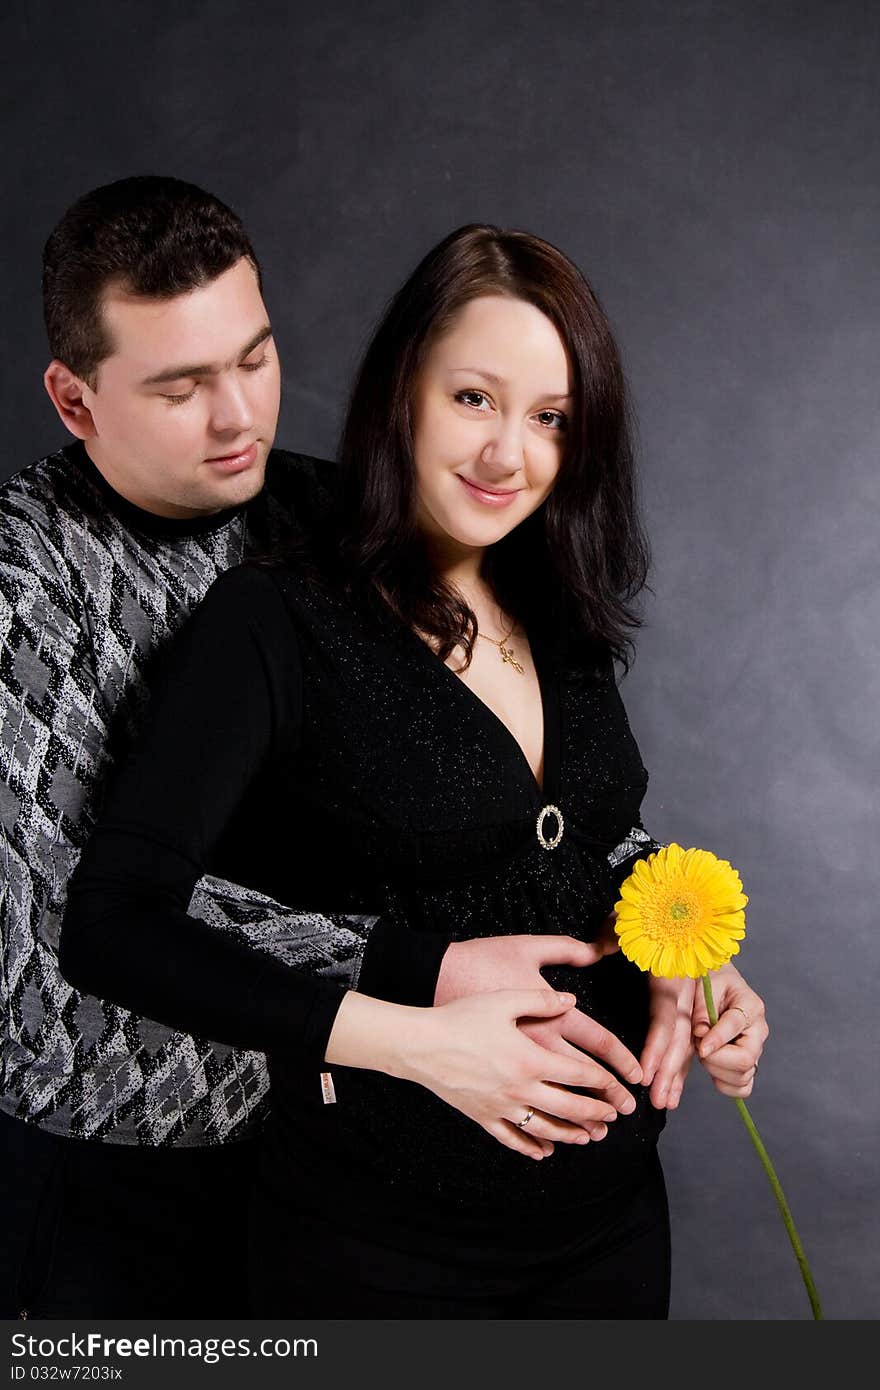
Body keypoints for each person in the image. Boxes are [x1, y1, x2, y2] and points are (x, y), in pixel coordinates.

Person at [2, 177, 757, 1319]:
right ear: (74, 400)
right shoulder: (30, 594)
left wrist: (669, 927)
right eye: (180, 386)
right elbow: (60, 958)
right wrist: (412, 986)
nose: (240, 418)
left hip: (355, 1133)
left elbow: (515, 805)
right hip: (125, 1157)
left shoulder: (326, 507)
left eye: (253, 358)